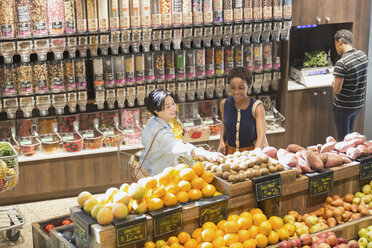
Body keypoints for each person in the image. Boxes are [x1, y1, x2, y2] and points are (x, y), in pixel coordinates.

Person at [140, 89, 224, 176]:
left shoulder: (153, 121)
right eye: (168, 107)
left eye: (173, 103)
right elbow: (175, 146)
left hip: (152, 167)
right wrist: (201, 152)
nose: (173, 108)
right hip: (158, 175)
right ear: (156, 111)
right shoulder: (160, 131)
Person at [217, 67, 266, 155]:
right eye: (232, 88)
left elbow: (261, 134)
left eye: (241, 88)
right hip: (230, 154)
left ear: (249, 86)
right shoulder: (224, 104)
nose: (236, 92)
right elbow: (224, 124)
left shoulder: (257, 106)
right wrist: (221, 141)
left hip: (250, 153)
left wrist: (255, 153)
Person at [333, 29, 368, 141]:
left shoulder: (341, 63)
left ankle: (345, 158)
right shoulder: (362, 55)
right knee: (350, 136)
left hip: (344, 107)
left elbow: (337, 90)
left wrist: (334, 82)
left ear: (339, 42)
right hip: (358, 104)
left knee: (343, 140)